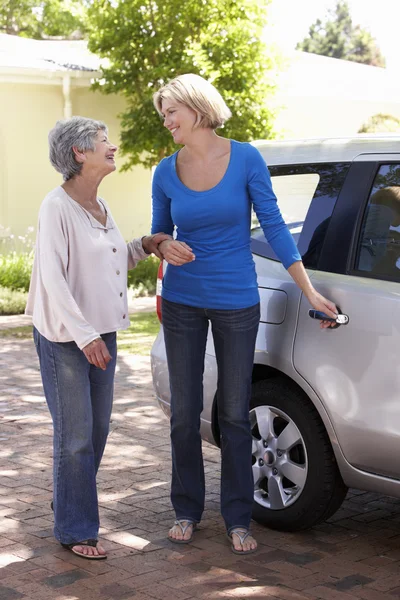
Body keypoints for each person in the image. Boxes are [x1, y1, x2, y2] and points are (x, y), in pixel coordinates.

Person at [151, 74, 338, 555]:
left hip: (236, 300)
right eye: (164, 112)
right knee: (184, 415)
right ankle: (187, 509)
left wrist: (310, 291)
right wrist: (162, 244)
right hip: (182, 301)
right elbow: (156, 234)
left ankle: (238, 516)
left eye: (171, 110)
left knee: (235, 414)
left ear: (197, 109)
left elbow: (275, 225)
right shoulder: (165, 171)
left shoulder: (246, 158)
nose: (166, 119)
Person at [26, 116, 169, 560]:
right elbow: (53, 278)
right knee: (75, 436)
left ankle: (68, 498)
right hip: (64, 335)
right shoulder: (56, 206)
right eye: (103, 141)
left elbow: (110, 262)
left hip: (98, 331)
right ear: (79, 153)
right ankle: (76, 528)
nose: (112, 146)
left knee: (98, 429)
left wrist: (145, 244)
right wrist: (85, 336)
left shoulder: (101, 207)